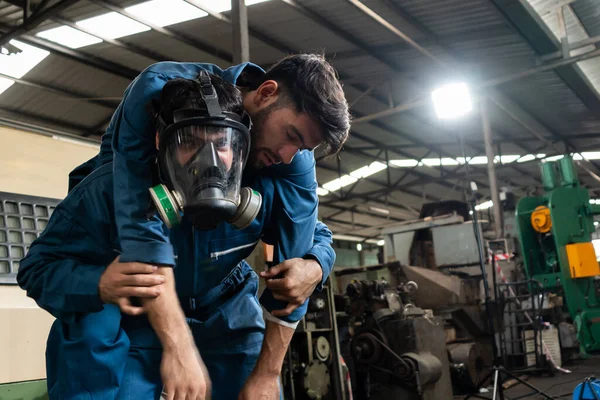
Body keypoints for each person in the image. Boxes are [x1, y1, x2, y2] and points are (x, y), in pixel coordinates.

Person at [17, 54, 351, 400]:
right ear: (161, 140)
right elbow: (121, 227)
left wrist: (315, 264)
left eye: (223, 144)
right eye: (192, 142)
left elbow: (307, 238)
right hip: (139, 305)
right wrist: (99, 285)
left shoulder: (277, 170)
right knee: (91, 329)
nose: (287, 155)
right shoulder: (111, 183)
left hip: (223, 305)